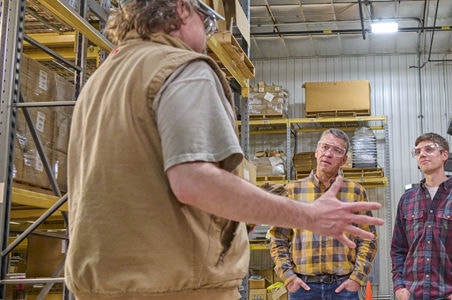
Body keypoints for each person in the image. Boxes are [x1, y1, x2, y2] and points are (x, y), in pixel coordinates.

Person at [65, 1, 383, 299]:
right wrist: (310, 216)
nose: (207, 35)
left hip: (101, 285)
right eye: (207, 20)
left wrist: (240, 219)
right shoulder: (180, 67)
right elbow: (194, 182)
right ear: (181, 8)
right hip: (177, 286)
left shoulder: (100, 82)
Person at [269, 129, 378, 299]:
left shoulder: (355, 192)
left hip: (343, 288)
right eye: (325, 147)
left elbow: (368, 239)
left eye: (336, 150)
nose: (328, 153)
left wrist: (356, 279)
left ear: (344, 160)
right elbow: (278, 238)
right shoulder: (292, 192)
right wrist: (289, 278)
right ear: (316, 151)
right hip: (303, 289)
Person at [391, 133, 452, 300]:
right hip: (413, 295)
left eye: (429, 149)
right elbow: (398, 250)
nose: (422, 154)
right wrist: (399, 286)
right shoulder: (407, 200)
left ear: (445, 155)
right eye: (417, 152)